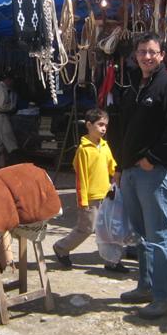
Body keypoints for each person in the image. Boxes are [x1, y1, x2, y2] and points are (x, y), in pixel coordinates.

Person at [115, 33, 167, 319]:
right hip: (131, 171)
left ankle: (163, 296)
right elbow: (122, 128)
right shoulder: (132, 85)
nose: (147, 56)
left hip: (153, 172)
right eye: (142, 51)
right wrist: (121, 166)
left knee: (159, 235)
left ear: (162, 56)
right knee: (142, 235)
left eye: (153, 52)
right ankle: (145, 286)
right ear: (135, 55)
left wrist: (153, 159)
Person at [53, 107, 122, 272]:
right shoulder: (83, 151)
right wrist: (82, 200)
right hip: (90, 197)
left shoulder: (105, 146)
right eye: (100, 124)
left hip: (106, 195)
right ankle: (61, 247)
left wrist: (119, 177)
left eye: (105, 125)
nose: (103, 128)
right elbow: (81, 177)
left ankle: (112, 261)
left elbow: (112, 166)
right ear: (89, 125)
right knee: (86, 229)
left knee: (108, 229)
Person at [0, 71, 19, 169]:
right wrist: (12, 107)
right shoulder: (1, 89)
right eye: (11, 81)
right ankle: (15, 165)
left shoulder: (2, 88)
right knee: (10, 141)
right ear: (7, 80)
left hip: (0, 117)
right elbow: (2, 105)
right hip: (2, 116)